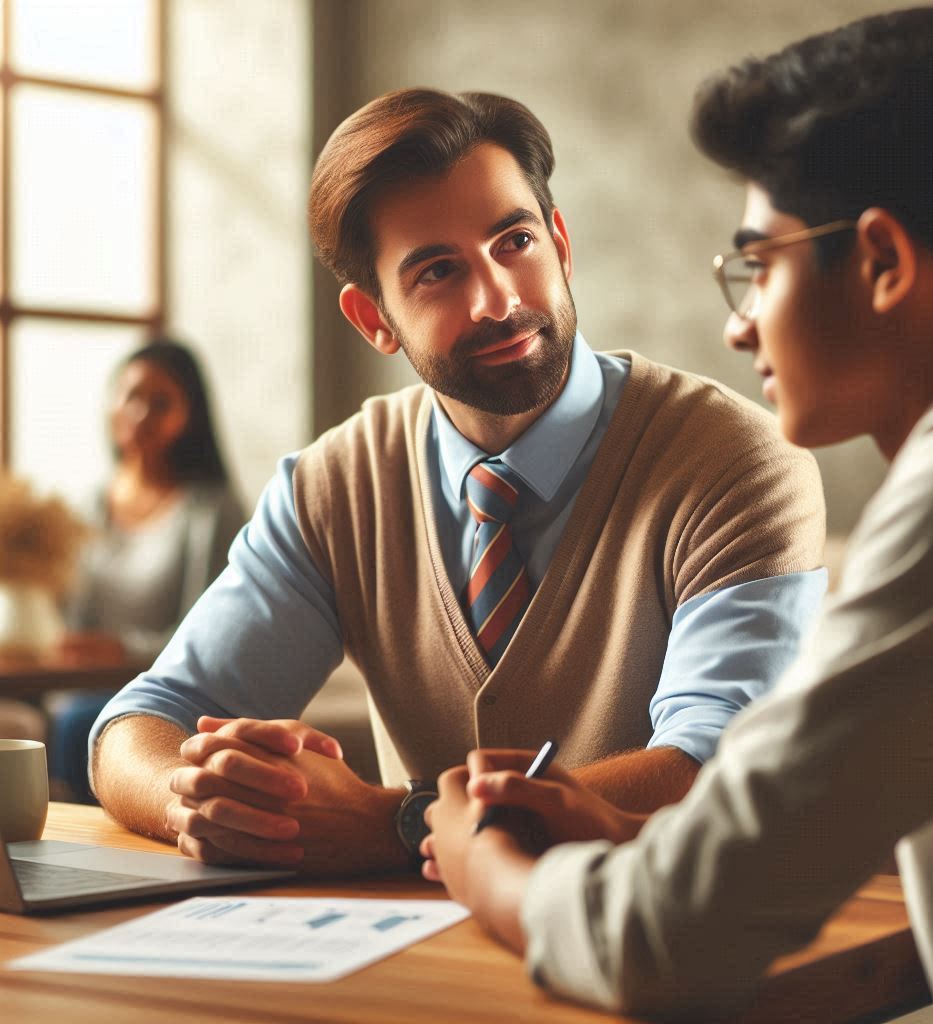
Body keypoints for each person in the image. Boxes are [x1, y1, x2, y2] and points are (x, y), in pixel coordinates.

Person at [421, 8, 933, 1022]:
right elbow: (862, 807)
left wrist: (482, 869)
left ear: (882, 260)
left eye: (760, 265)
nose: (738, 324)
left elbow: (659, 942)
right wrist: (633, 838)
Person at [88, 88, 825, 875]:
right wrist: (206, 802)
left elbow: (713, 768)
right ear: (374, 321)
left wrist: (398, 823)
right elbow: (140, 723)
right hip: (419, 964)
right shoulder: (332, 486)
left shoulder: (739, 463)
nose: (498, 300)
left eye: (514, 242)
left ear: (561, 242)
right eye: (437, 272)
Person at [49, 339, 246, 803]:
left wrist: (119, 648)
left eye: (161, 403)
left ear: (191, 415)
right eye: (131, 397)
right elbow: (72, 619)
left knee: (78, 721)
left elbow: (210, 636)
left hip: (161, 691)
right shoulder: (89, 505)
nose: (141, 413)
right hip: (78, 685)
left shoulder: (211, 511)